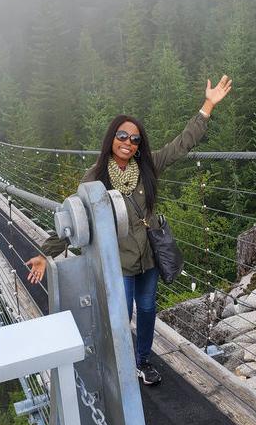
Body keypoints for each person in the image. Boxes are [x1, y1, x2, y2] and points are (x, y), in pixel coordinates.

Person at [26, 75, 232, 386]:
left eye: (135, 139)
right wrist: (45, 254)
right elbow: (76, 218)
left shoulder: (148, 166)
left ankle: (142, 361)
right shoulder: (94, 177)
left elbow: (182, 145)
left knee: (147, 309)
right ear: (112, 138)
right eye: (122, 135)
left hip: (147, 257)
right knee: (120, 313)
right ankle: (117, 363)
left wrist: (207, 106)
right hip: (118, 260)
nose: (128, 142)